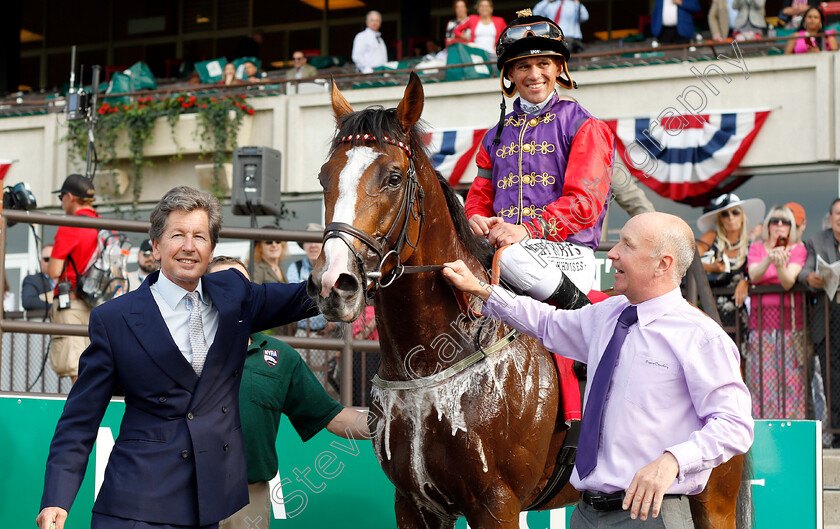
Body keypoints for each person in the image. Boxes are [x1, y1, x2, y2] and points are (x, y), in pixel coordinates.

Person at [441, 212, 754, 527]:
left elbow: (735, 425)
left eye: (627, 245)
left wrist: (674, 461)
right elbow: (546, 322)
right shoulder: (609, 313)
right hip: (587, 514)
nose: (613, 253)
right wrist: (481, 290)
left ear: (663, 264)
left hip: (652, 515)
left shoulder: (701, 336)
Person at [35, 186, 320, 529]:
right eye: (178, 235)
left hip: (208, 506)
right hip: (136, 506)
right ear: (156, 245)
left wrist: (347, 273)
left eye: (199, 236)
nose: (189, 246)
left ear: (211, 249)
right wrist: (56, 498)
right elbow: (80, 419)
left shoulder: (235, 295)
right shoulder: (115, 319)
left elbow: (301, 296)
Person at [464, 9, 614, 309]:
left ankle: (580, 316)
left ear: (559, 67)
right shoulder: (494, 135)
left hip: (568, 252)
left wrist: (527, 229)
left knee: (507, 256)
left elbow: (585, 204)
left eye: (543, 63)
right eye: (523, 66)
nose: (534, 75)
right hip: (505, 248)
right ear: (509, 74)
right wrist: (475, 219)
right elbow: (479, 198)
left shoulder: (585, 126)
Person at [207, 257, 369, 529]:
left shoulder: (280, 357)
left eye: (240, 286)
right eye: (220, 285)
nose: (231, 294)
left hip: (249, 497)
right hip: (186, 490)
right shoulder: (180, 348)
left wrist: (387, 425)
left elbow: (332, 416)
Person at [746, 205, 808, 419]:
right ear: (768, 226)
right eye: (775, 221)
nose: (780, 225)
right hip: (760, 327)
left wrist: (780, 265)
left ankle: (791, 429)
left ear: (792, 227)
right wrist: (770, 257)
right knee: (762, 382)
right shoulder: (756, 248)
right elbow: (754, 275)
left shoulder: (798, 249)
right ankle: (765, 431)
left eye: (786, 221)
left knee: (791, 382)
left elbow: (789, 281)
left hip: (790, 327)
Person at [48, 174, 100, 383]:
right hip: (99, 302)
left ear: (70, 197)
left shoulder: (70, 225)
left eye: (61, 197)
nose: (62, 203)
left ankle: (84, 413)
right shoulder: (104, 224)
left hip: (73, 302)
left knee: (76, 367)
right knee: (97, 363)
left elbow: (53, 271)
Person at [799, 198, 840, 447]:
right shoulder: (817, 239)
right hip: (829, 316)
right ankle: (836, 433)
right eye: (837, 213)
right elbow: (804, 270)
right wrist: (810, 277)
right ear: (830, 217)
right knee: (831, 376)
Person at [696, 193, 765, 339]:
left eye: (735, 212)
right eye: (725, 214)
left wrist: (746, 281)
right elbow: (690, 260)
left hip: (738, 313)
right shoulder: (711, 237)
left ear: (742, 216)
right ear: (720, 220)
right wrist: (710, 268)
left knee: (738, 357)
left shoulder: (751, 246)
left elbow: (758, 273)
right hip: (708, 311)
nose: (731, 218)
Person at [286, 223, 340, 393]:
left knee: (329, 386)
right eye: (309, 241)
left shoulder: (335, 267)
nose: (313, 245)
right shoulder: (296, 267)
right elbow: (298, 298)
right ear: (304, 245)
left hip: (331, 334)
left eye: (317, 241)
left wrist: (335, 323)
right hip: (304, 333)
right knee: (302, 383)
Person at [351, 304, 379, 407]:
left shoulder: (376, 307)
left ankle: (369, 406)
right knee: (358, 383)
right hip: (357, 351)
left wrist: (366, 330)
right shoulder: (354, 310)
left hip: (373, 350)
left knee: (370, 383)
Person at [22, 245, 55, 312]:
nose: (51, 262)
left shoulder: (68, 280)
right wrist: (57, 306)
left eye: (54, 259)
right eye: (47, 259)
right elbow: (28, 302)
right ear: (41, 262)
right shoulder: (32, 280)